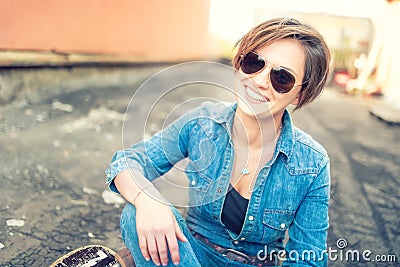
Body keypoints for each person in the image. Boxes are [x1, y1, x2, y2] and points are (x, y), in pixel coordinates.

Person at [106, 17, 331, 266]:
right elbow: (128, 161)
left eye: (282, 78)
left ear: (299, 95)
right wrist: (147, 200)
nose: (258, 81)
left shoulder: (312, 163)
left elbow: (307, 258)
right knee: (135, 213)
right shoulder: (202, 122)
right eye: (253, 63)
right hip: (191, 256)